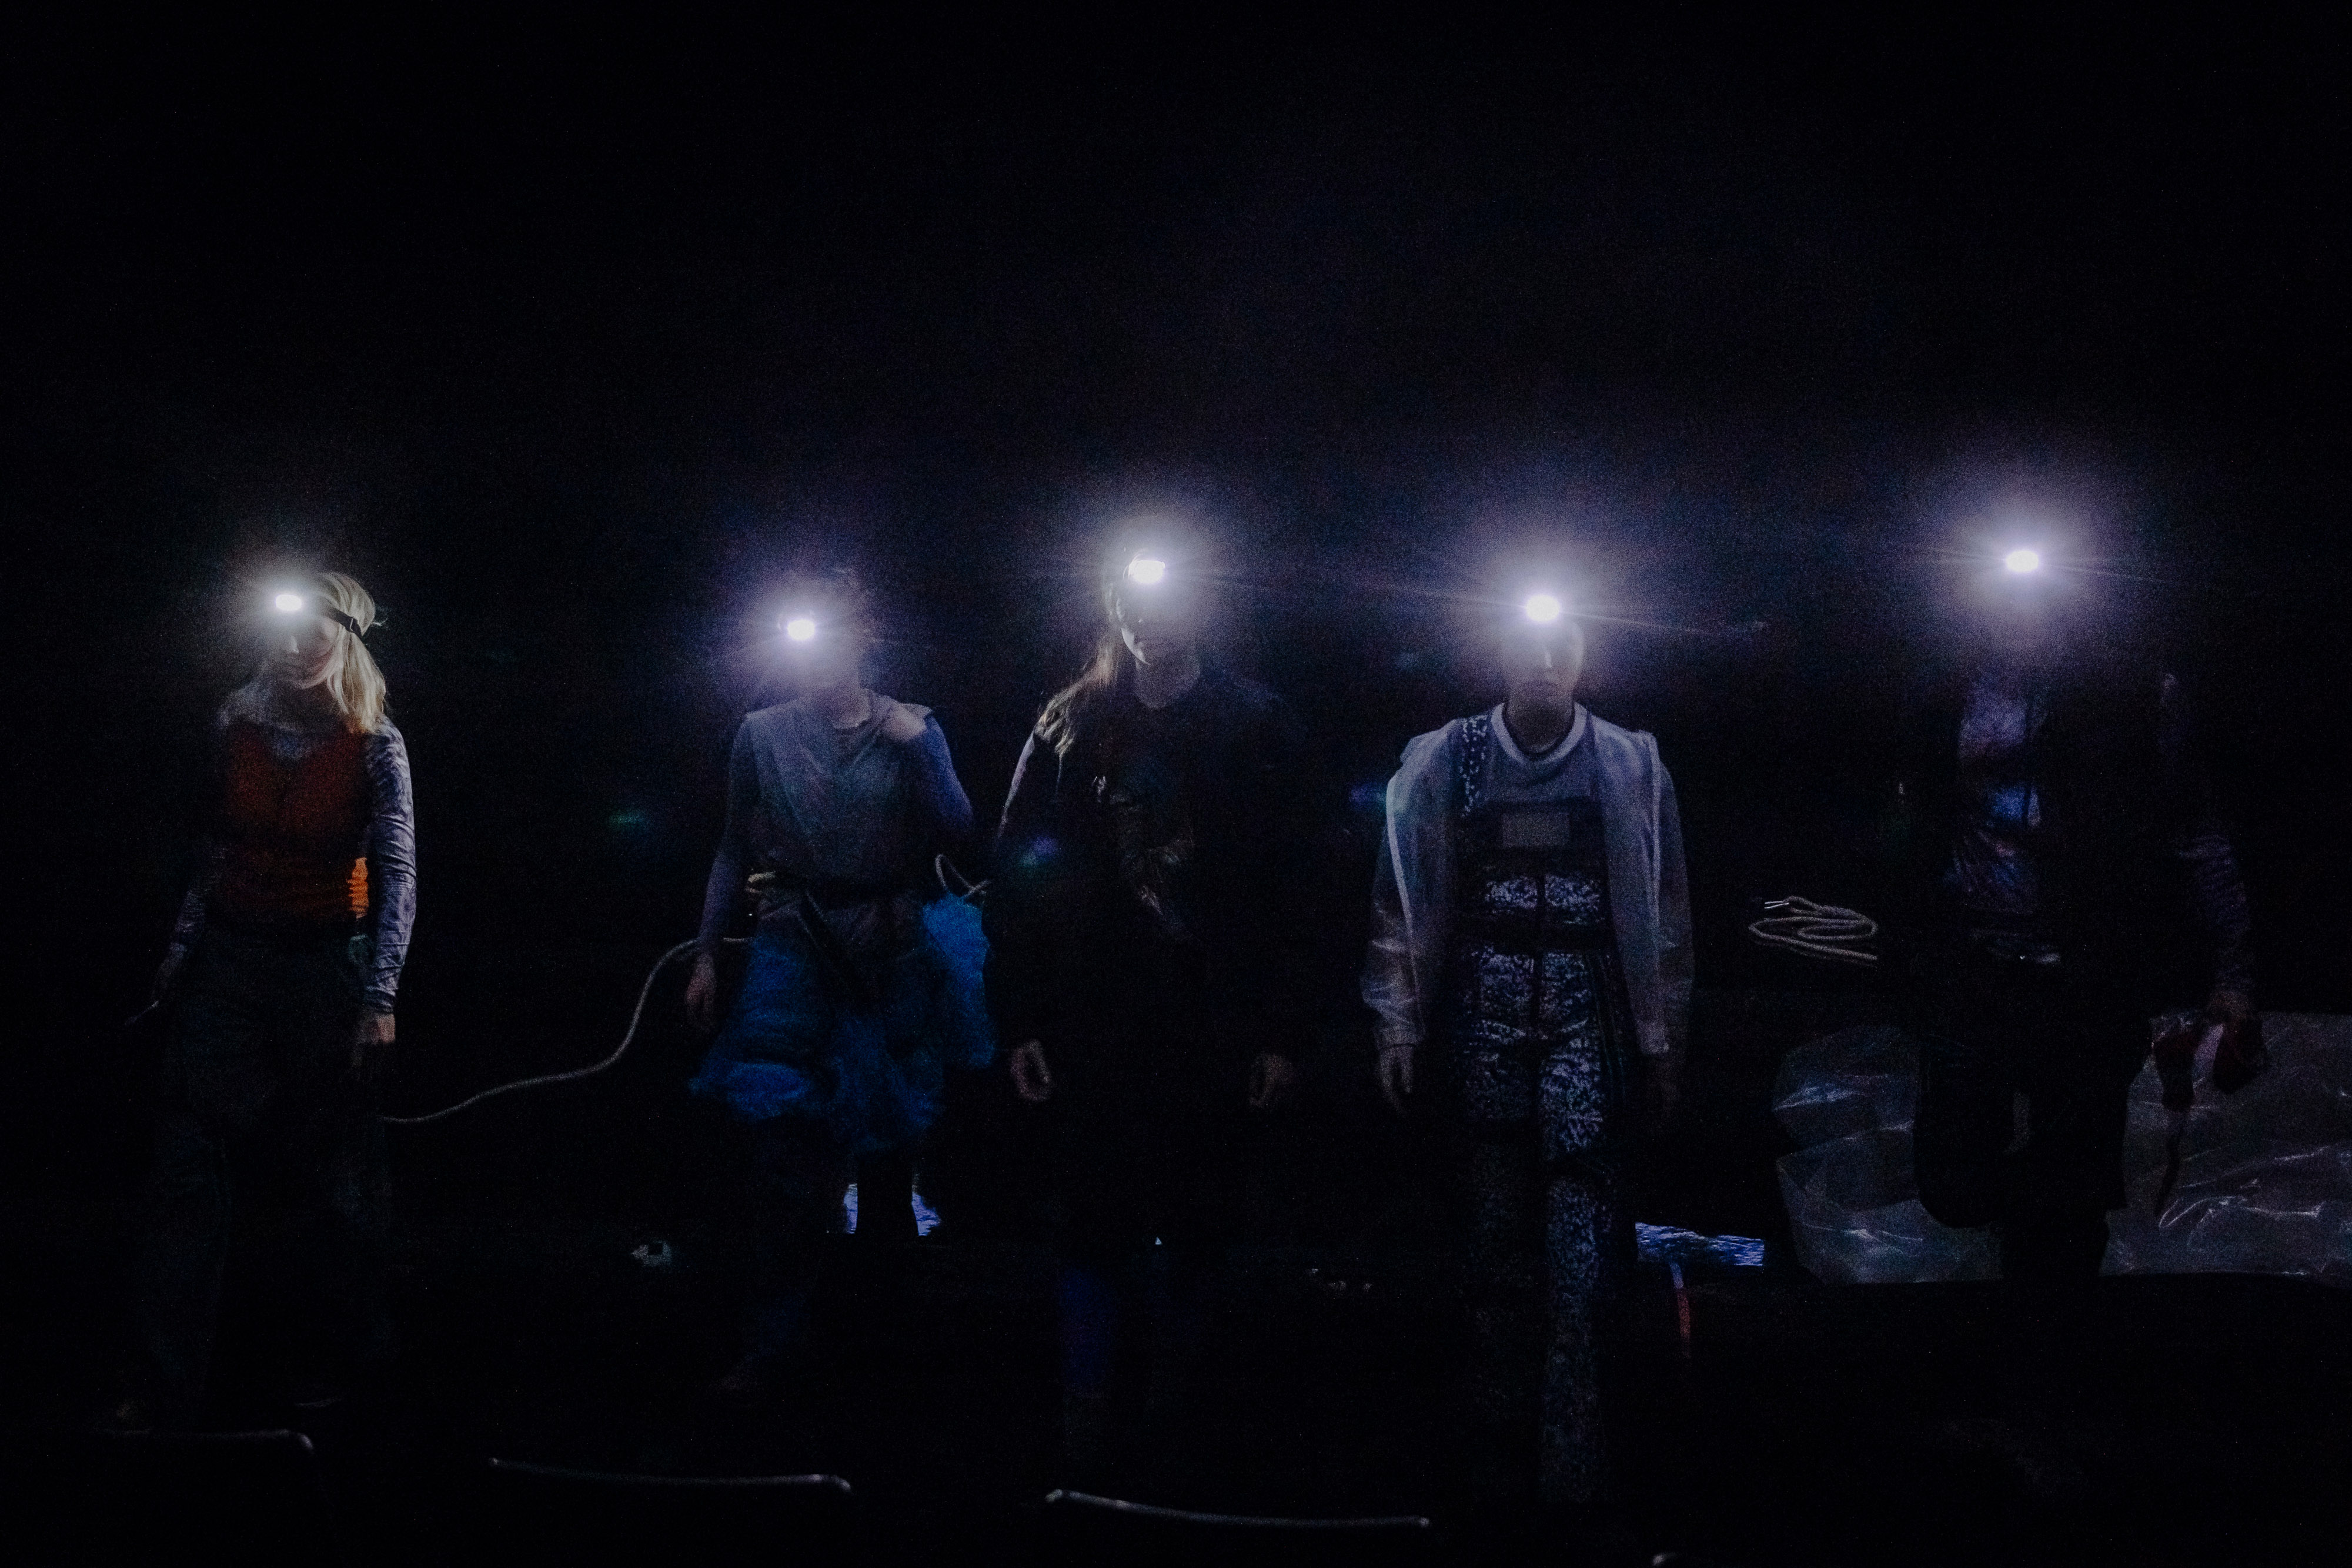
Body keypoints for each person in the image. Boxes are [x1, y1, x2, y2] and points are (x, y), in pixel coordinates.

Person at [990, 539, 1321, 1480]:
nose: (1148, 613)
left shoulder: (1257, 724)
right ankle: (1087, 1426)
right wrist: (1022, 1016)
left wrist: (1283, 1030)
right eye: (1131, 596)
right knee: (1093, 1219)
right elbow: (1019, 873)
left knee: (1203, 1218)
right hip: (1097, 1017)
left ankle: (1176, 1421)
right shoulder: (1072, 722)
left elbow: (1299, 884)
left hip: (1210, 1019)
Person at [1362, 594, 1690, 1527]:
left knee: (1582, 1263)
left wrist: (1663, 1042)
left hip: (1588, 1020)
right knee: (1494, 1253)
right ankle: (1493, 1476)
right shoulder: (1449, 758)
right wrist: (1397, 1023)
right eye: (1526, 642)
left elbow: (1666, 912)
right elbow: (1398, 897)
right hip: (1486, 1022)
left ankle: (1574, 1479)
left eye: (1562, 642)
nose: (1544, 657)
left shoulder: (1629, 762)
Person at [107, 573, 415, 1430]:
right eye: (284, 628)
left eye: (317, 630)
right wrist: (181, 955)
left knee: (335, 1172)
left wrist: (380, 993)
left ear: (347, 639)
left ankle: (347, 1364)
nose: (297, 644)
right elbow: (214, 848)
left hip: (324, 963)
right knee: (188, 1165)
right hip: (233, 957)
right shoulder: (236, 721)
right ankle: (164, 1381)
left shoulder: (374, 741)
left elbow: (398, 870)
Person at [1895, 556, 2258, 1282]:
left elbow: (2195, 831)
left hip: (2089, 977)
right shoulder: (1945, 691)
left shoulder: (2134, 696)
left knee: (2072, 1204)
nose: (2017, 613)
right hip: (1974, 968)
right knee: (1953, 1183)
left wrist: (2235, 972)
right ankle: (2029, 1229)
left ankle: (2046, 1328)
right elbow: (1911, 815)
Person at [683, 570, 989, 1399]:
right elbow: (731, 847)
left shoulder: (912, 726)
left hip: (891, 949)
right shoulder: (762, 733)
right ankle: (776, 1343)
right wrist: (707, 954)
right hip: (794, 947)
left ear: (865, 636)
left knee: (890, 1152)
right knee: (784, 1157)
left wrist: (918, 746)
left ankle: (887, 1346)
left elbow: (960, 829)